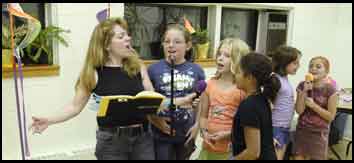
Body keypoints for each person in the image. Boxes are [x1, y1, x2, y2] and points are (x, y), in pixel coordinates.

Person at [30, 17, 166, 160]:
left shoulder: (138, 66)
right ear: (106, 45)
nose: (128, 38)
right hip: (111, 142)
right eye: (121, 36)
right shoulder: (93, 73)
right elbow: (74, 107)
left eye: (127, 34)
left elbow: (153, 99)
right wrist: (49, 120)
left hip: (143, 139)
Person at [147, 24, 205, 160]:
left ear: (188, 45)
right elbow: (147, 103)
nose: (171, 45)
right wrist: (156, 121)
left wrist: (197, 126)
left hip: (186, 133)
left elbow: (200, 100)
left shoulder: (197, 70)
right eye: (167, 41)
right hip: (160, 134)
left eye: (177, 42)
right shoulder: (153, 70)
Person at [197, 38, 249, 160]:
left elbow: (247, 125)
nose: (220, 58)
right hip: (208, 148)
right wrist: (204, 132)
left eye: (226, 56)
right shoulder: (209, 84)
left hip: (231, 151)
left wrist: (228, 135)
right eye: (219, 54)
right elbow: (203, 116)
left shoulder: (242, 89)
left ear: (238, 60)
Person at [231, 52, 280, 160]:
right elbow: (255, 132)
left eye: (239, 72)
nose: (235, 75)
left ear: (250, 78)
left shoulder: (249, 106)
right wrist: (226, 135)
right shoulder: (262, 99)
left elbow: (253, 152)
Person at [293, 56, 338, 160]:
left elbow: (331, 117)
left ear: (326, 71)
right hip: (302, 130)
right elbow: (299, 111)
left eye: (318, 66)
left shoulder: (331, 90)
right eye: (311, 66)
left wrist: (314, 106)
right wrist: (304, 91)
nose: (313, 69)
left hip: (319, 133)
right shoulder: (302, 85)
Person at [267, 46, 302, 160]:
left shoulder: (284, 79)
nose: (298, 66)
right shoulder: (275, 80)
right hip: (276, 127)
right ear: (284, 63)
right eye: (295, 63)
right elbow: (267, 106)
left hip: (284, 127)